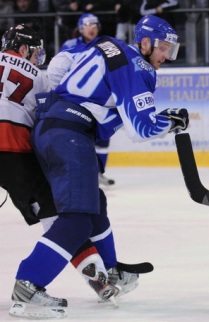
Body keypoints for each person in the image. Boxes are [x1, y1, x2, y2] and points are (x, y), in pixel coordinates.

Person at [10, 15, 189, 318]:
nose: (164, 57)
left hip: (48, 127)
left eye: (170, 51)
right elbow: (140, 129)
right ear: (145, 43)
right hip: (70, 135)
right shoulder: (139, 67)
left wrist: (65, 98)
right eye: (163, 49)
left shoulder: (106, 44)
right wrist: (172, 120)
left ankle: (111, 270)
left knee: (96, 203)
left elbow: (59, 64)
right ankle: (28, 284)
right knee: (77, 219)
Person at [0, 24, 141, 319]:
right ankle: (90, 278)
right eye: (35, 51)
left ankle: (100, 275)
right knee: (60, 216)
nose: (37, 57)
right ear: (24, 49)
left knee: (75, 214)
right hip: (13, 151)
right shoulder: (39, 76)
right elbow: (50, 112)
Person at [59, 13, 117, 186]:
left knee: (104, 137)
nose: (91, 29)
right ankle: (73, 173)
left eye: (94, 25)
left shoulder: (106, 46)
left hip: (97, 98)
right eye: (87, 25)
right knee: (76, 135)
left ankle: (98, 172)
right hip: (74, 99)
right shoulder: (70, 45)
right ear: (80, 28)